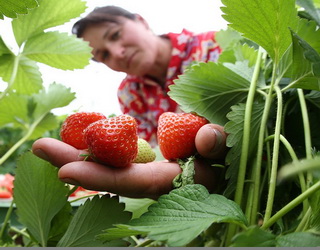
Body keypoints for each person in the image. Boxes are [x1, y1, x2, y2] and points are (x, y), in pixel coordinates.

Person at [32, 5, 227, 199]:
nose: (117, 53)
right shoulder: (129, 93)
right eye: (105, 55)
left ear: (141, 21)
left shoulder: (213, 46)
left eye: (115, 35)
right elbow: (149, 151)